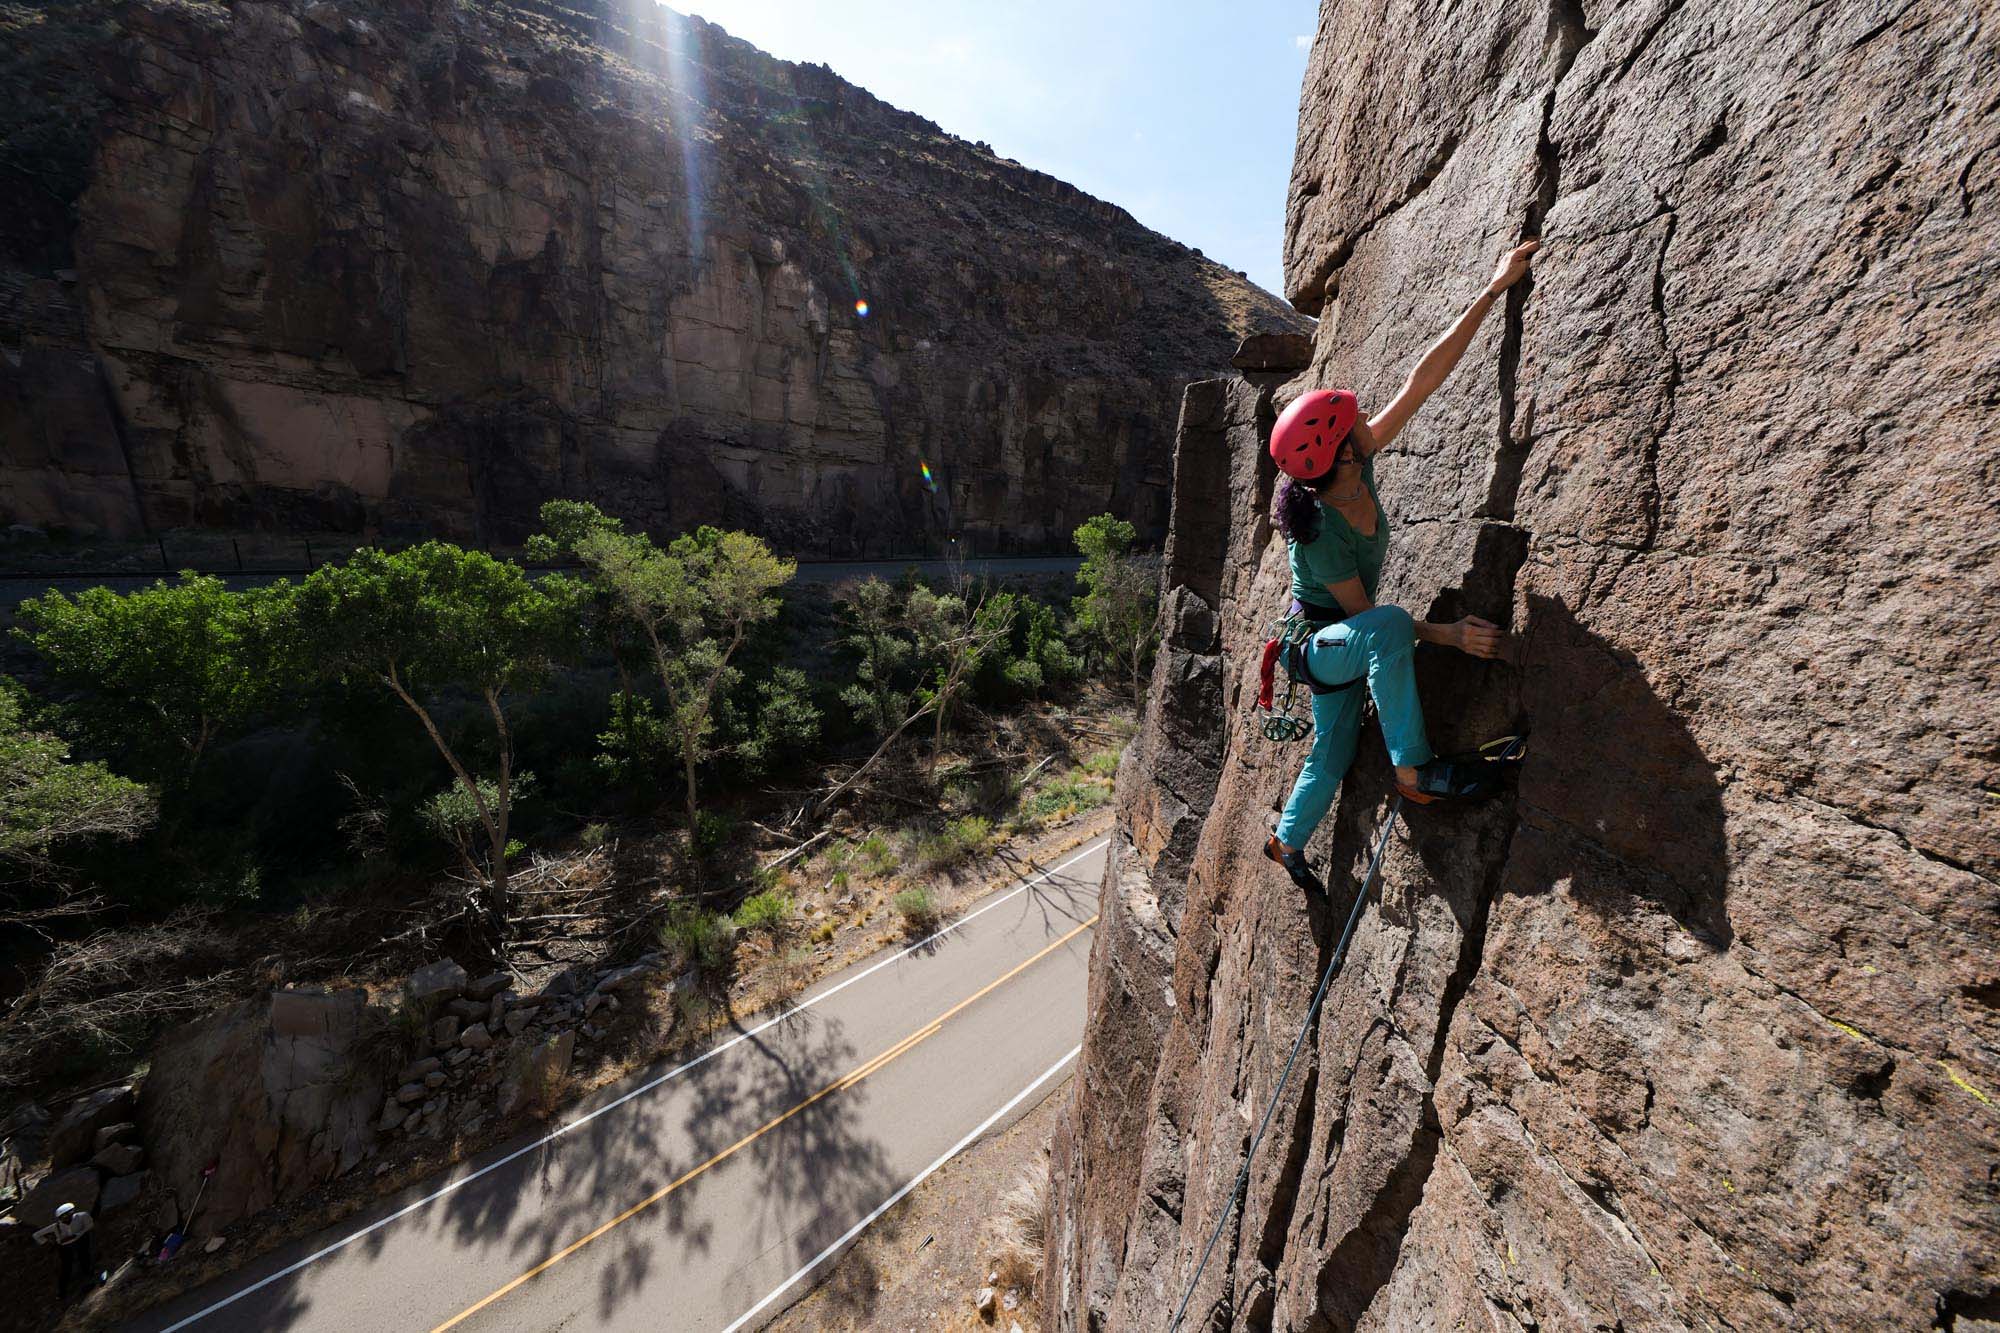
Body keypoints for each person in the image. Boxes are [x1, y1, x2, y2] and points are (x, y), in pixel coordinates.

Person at [1263, 240, 1540, 900]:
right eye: (1350, 433)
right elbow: (1370, 625)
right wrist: (1447, 635)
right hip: (1320, 644)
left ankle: (1286, 841)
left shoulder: (1354, 452)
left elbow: (1424, 377)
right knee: (1388, 625)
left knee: (1329, 753)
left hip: (1342, 641)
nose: (1363, 429)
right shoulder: (1320, 539)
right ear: (1336, 467)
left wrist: (1493, 288)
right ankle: (1415, 774)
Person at [32, 1199, 97, 1301]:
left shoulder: (82, 1216)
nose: (65, 1218)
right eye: (62, 1217)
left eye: (67, 1215)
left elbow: (90, 1225)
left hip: (81, 1240)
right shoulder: (55, 1226)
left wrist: (78, 1234)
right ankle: (62, 1292)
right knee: (66, 1268)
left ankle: (88, 1279)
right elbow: (36, 1235)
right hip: (64, 1247)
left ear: (72, 1212)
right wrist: (49, 1242)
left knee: (85, 1258)